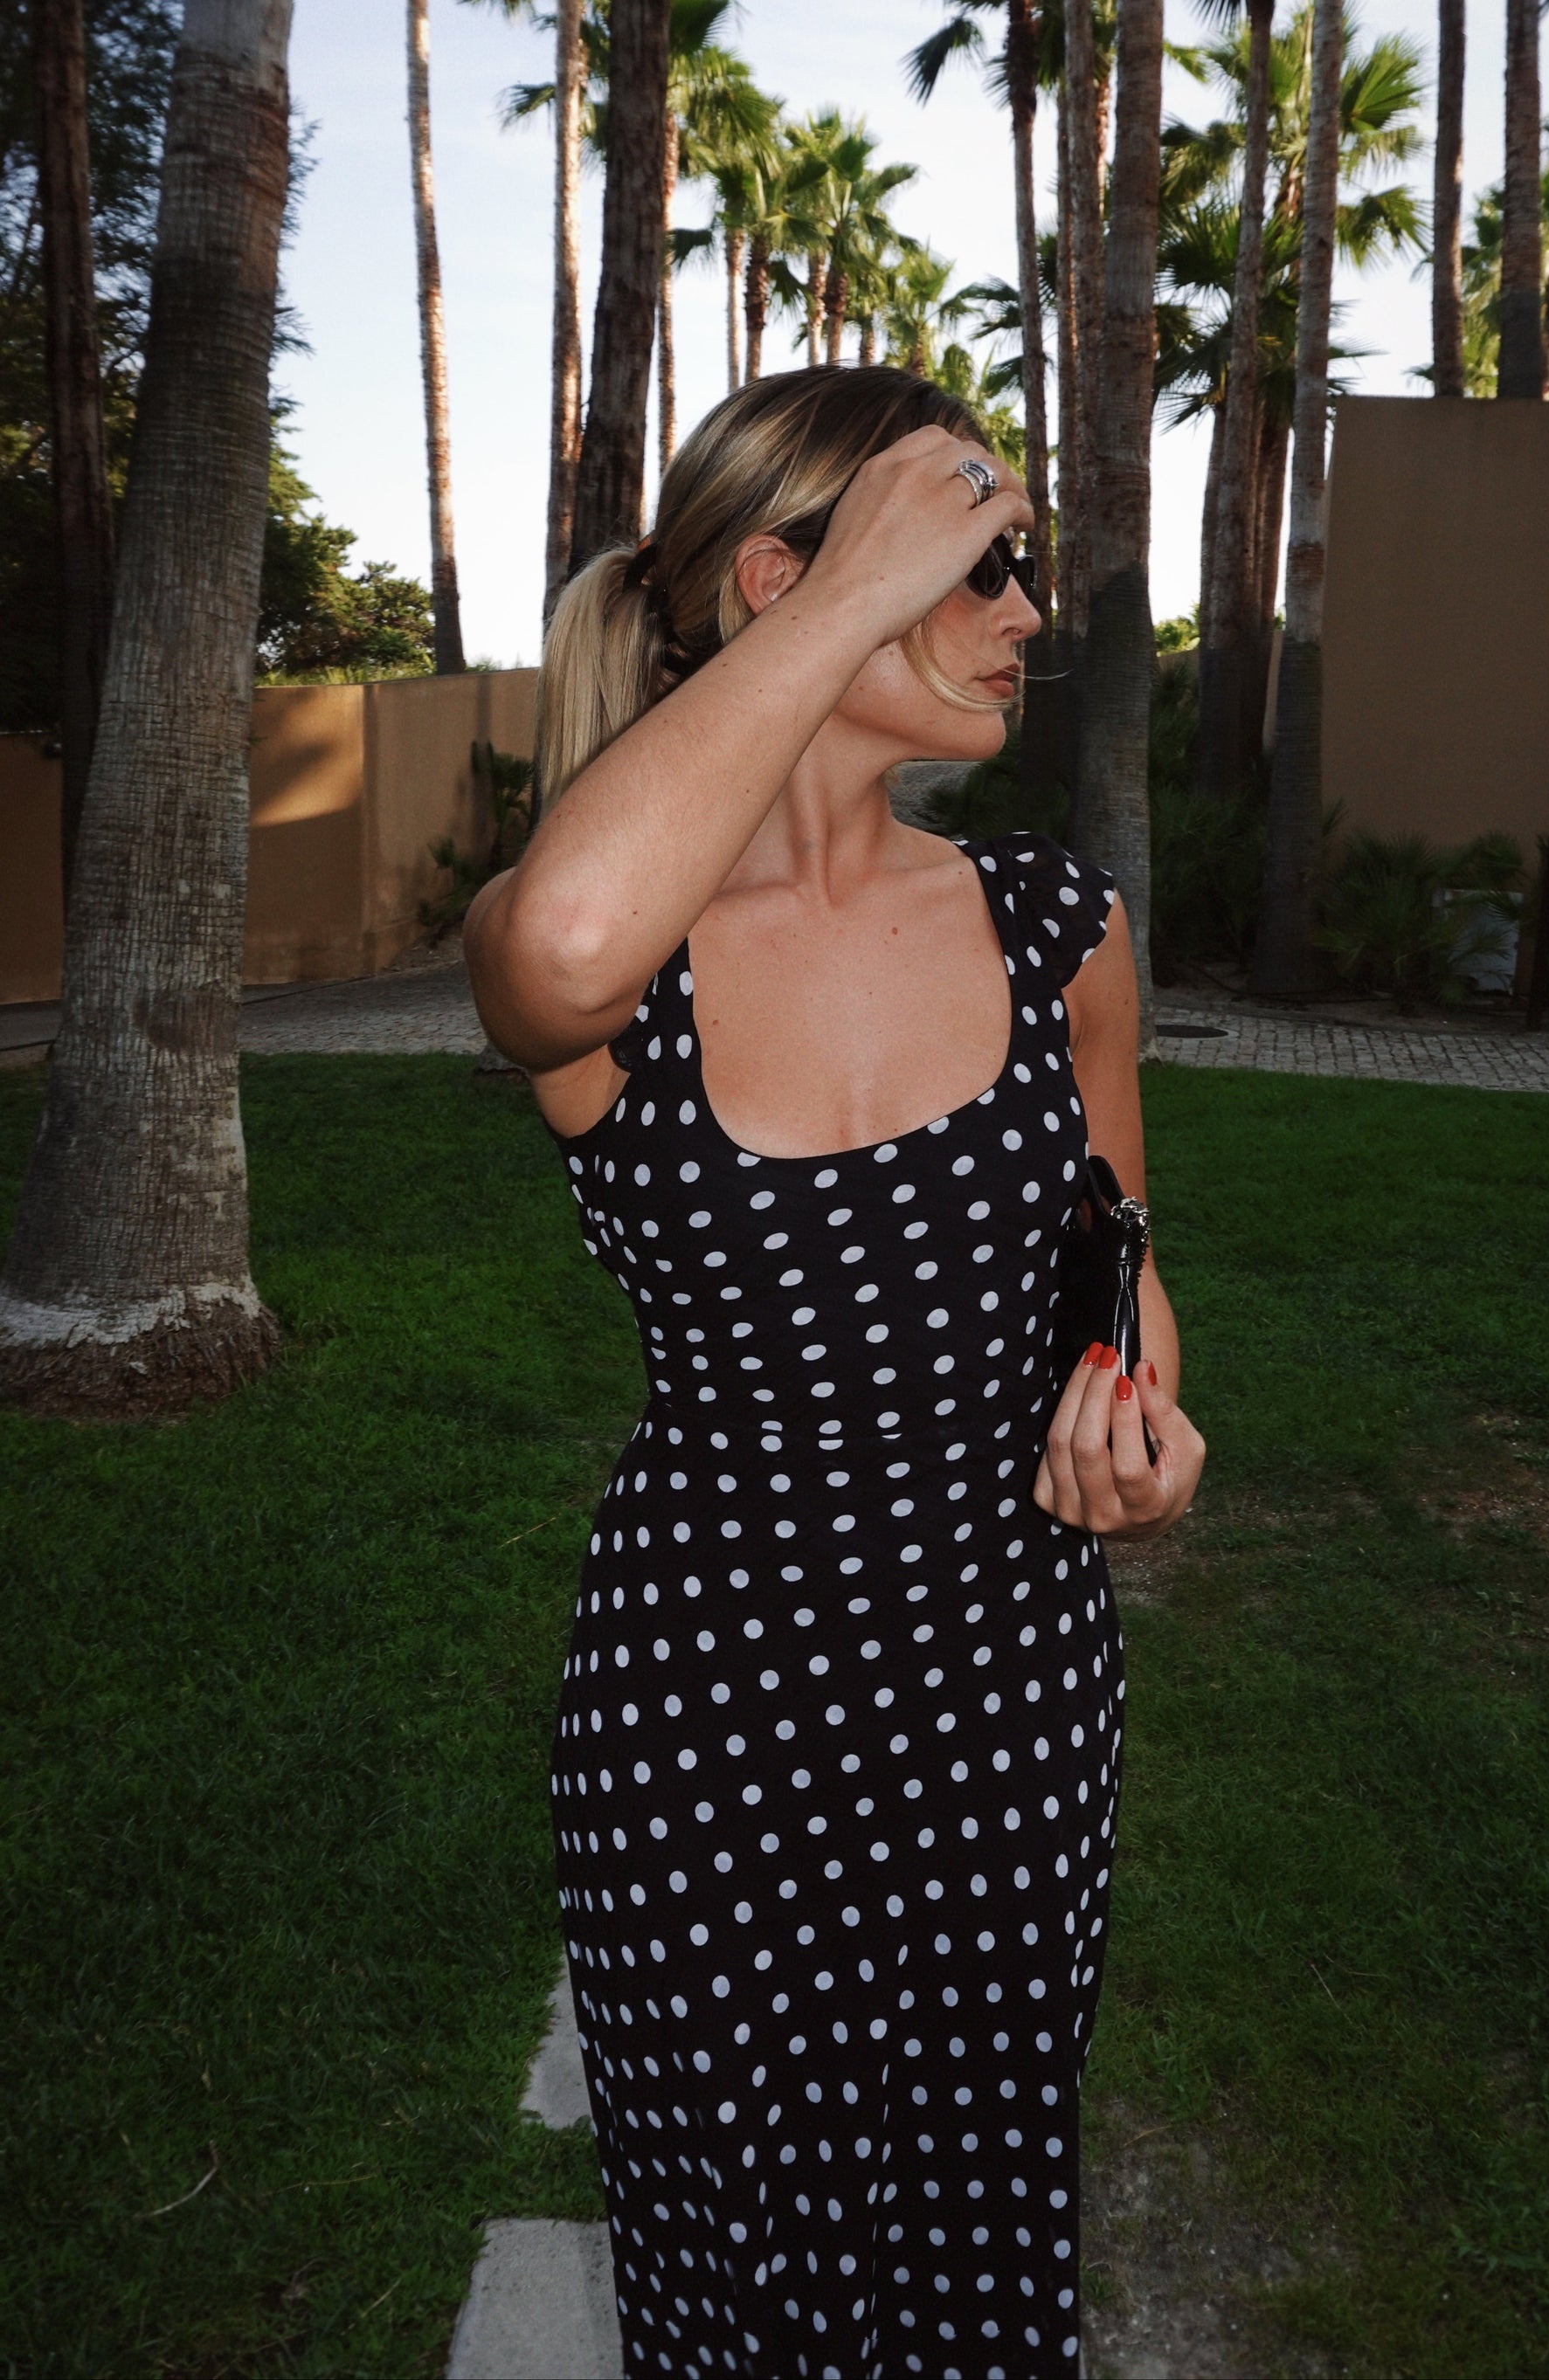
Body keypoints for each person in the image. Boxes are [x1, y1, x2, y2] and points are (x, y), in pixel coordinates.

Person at [467, 365, 1206, 2380]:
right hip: (708, 1726)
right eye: (978, 560)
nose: (1025, 613)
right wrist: (845, 595)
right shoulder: (608, 960)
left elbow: (1121, 1285)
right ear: (790, 578)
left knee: (974, 2248)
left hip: (1010, 1708)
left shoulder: (1060, 930)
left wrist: (1143, 1437)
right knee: (737, 2286)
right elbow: (561, 943)